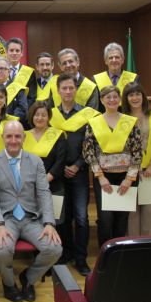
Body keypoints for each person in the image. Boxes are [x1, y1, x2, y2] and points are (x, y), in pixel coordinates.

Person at [0, 121, 62, 302]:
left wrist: (49, 223)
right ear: (3, 138)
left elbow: (44, 193)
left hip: (30, 218)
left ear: (24, 138)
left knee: (54, 249)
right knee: (1, 252)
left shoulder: (35, 161)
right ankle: (9, 284)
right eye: (9, 136)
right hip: (5, 218)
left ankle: (28, 278)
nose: (13, 140)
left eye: (17, 136)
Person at [49, 74, 100, 276]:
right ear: (58, 91)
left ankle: (80, 258)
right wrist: (59, 167)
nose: (68, 92)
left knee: (81, 217)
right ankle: (65, 253)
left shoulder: (87, 115)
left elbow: (91, 144)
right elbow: (49, 145)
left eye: (71, 88)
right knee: (61, 216)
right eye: (64, 88)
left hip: (79, 172)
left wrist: (78, 165)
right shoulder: (52, 115)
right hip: (58, 173)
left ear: (76, 90)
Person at [83, 85, 142, 248]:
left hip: (126, 178)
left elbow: (137, 152)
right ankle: (106, 254)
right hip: (104, 178)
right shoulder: (94, 123)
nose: (112, 100)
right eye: (107, 97)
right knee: (105, 219)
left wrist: (129, 179)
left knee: (122, 219)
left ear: (119, 100)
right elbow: (88, 152)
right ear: (102, 100)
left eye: (115, 97)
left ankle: (118, 254)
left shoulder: (130, 122)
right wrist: (100, 177)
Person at [123, 82, 151, 236]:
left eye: (137, 94)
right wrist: (132, 169)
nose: (134, 98)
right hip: (128, 172)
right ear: (126, 98)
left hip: (150, 171)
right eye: (131, 95)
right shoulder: (122, 118)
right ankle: (133, 245)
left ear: (143, 96)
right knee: (131, 211)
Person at [23, 101, 67, 222]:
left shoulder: (58, 135)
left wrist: (43, 181)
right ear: (32, 116)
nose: (40, 118)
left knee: (55, 222)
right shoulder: (24, 136)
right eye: (37, 115)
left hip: (53, 185)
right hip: (29, 187)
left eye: (43, 115)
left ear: (49, 117)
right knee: (33, 222)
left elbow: (60, 162)